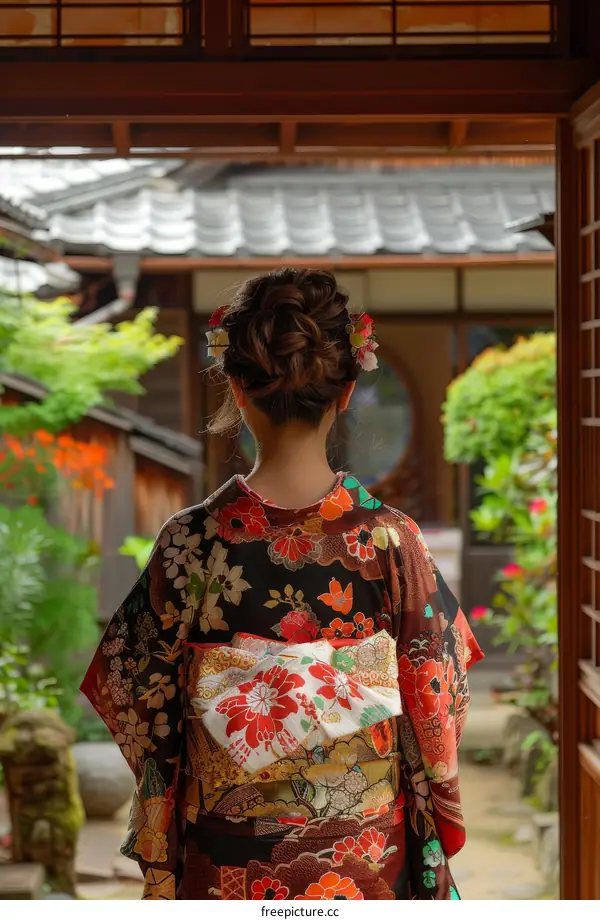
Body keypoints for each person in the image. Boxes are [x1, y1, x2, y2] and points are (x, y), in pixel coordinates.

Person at [81, 268, 483, 900]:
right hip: (364, 856)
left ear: (237, 386)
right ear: (346, 390)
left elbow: (139, 695)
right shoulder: (391, 541)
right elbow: (437, 699)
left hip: (227, 858)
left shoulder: (191, 542)